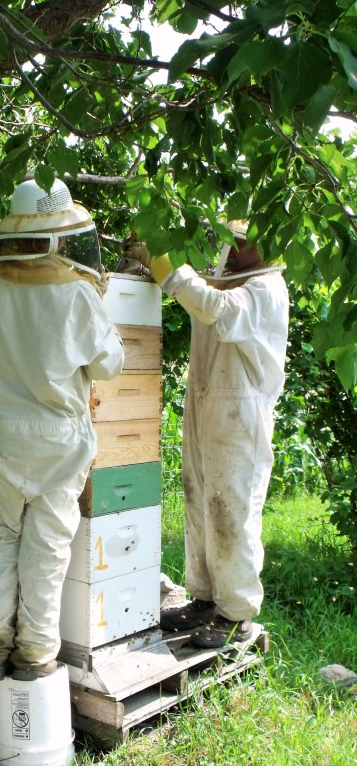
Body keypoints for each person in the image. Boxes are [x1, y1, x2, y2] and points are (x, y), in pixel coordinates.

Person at [0, 177, 124, 680]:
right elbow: (110, 366)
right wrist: (100, 300)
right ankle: (33, 656)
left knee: (5, 537)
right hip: (58, 436)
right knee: (48, 547)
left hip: (5, 435)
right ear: (57, 234)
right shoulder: (76, 294)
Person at [121, 220, 289, 648]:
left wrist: (166, 265)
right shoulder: (227, 279)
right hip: (206, 403)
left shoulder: (266, 291)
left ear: (266, 247)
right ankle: (204, 598)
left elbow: (214, 307)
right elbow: (201, 298)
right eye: (231, 239)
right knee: (199, 503)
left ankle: (236, 614)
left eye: (243, 242)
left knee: (230, 511)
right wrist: (156, 267)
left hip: (241, 413)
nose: (232, 248)